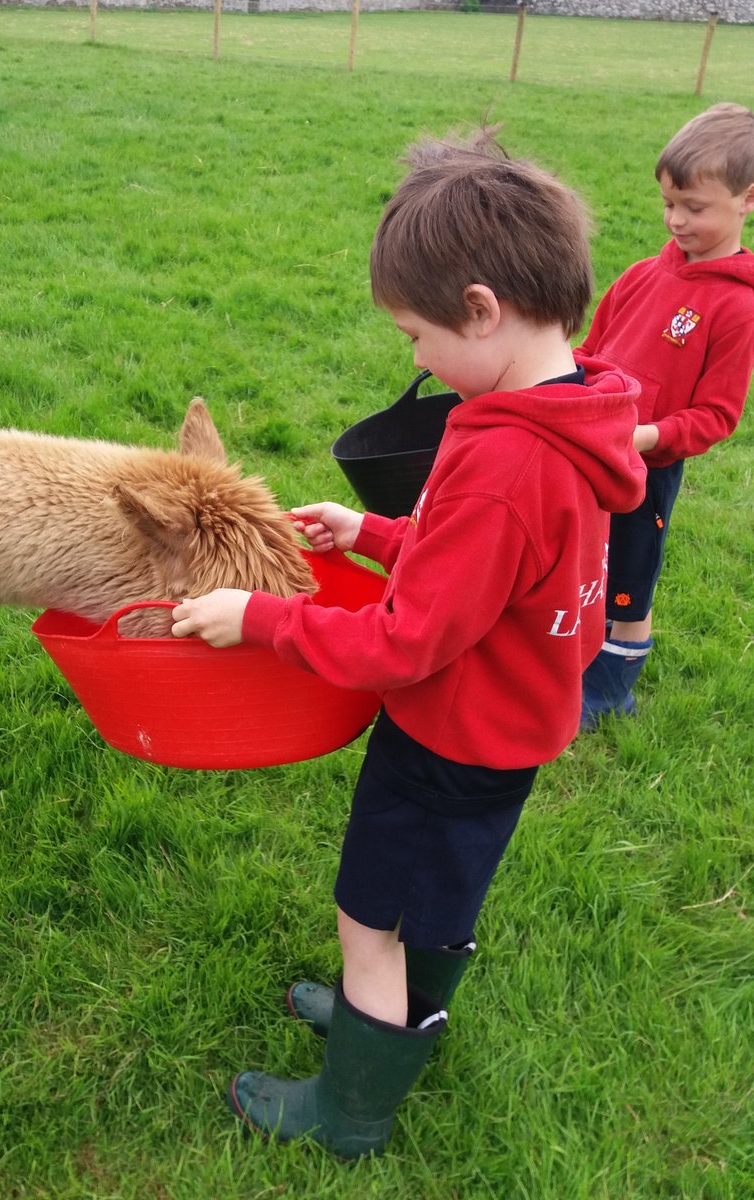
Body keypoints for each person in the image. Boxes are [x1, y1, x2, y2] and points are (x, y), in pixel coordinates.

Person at [169, 129, 646, 1160]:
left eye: (416, 335)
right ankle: (387, 1016)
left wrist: (259, 618)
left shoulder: (506, 462)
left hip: (446, 741)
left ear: (481, 308)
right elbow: (491, 578)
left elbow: (405, 642)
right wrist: (373, 533)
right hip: (509, 731)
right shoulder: (570, 417)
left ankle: (349, 1111)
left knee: (369, 918)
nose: (416, 359)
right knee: (436, 899)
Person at [576, 102, 754, 730]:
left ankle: (610, 689)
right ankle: (568, 658)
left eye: (695, 207)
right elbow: (589, 353)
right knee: (582, 561)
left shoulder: (738, 308)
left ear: (748, 200)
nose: (676, 220)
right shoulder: (639, 276)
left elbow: (717, 416)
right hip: (589, 451)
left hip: (645, 469)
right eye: (668, 203)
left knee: (628, 580)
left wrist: (646, 435)